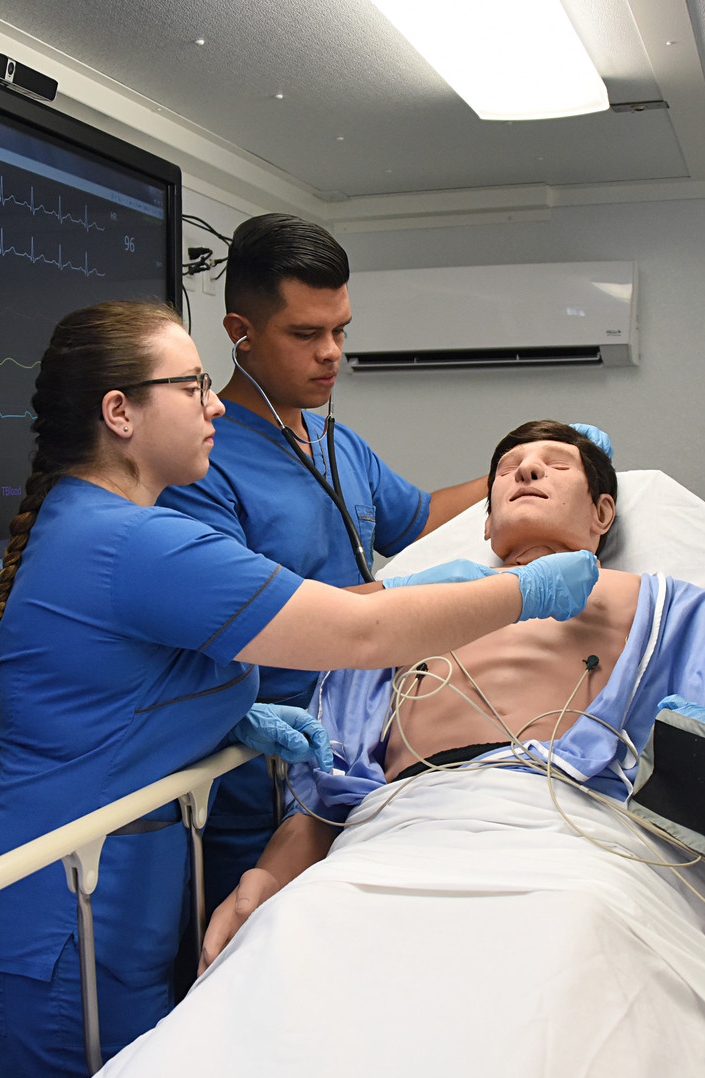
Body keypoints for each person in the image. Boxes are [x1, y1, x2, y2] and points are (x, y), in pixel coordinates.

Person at [0, 302, 599, 1078]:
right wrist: (522, 592)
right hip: (53, 917)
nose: (215, 401)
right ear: (120, 413)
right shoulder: (134, 541)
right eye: (190, 386)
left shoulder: (107, 524)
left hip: (112, 906)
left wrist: (228, 711)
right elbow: (357, 636)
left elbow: (198, 648)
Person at [113, 421, 705, 1078]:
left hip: (587, 847)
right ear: (483, 521)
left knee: (571, 954)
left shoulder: (681, 613)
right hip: (395, 840)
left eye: (555, 464)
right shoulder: (392, 624)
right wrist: (266, 883)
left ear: (604, 513)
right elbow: (329, 791)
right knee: (296, 941)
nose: (527, 471)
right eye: (509, 469)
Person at [157, 213, 611, 911]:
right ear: (240, 332)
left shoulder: (342, 445)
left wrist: (516, 470)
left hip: (364, 761)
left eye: (341, 331)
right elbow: (248, 625)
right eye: (305, 335)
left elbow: (421, 516)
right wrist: (406, 596)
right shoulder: (202, 467)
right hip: (260, 771)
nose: (331, 354)